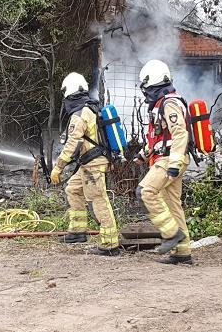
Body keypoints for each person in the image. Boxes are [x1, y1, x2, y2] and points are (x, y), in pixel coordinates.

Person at [50, 72, 120, 256]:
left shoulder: (80, 114)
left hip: (93, 165)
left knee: (98, 200)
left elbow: (73, 143)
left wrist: (58, 167)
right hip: (90, 163)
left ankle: (110, 244)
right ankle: (78, 232)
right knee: (73, 189)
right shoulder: (90, 108)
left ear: (69, 93)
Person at [134, 59, 192, 265]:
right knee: (172, 204)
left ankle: (170, 234)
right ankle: (182, 253)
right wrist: (143, 154)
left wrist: (175, 164)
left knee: (145, 191)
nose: (145, 91)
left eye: (146, 86)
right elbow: (158, 138)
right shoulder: (161, 104)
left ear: (152, 83)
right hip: (167, 157)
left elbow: (179, 133)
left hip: (170, 159)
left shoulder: (169, 103)